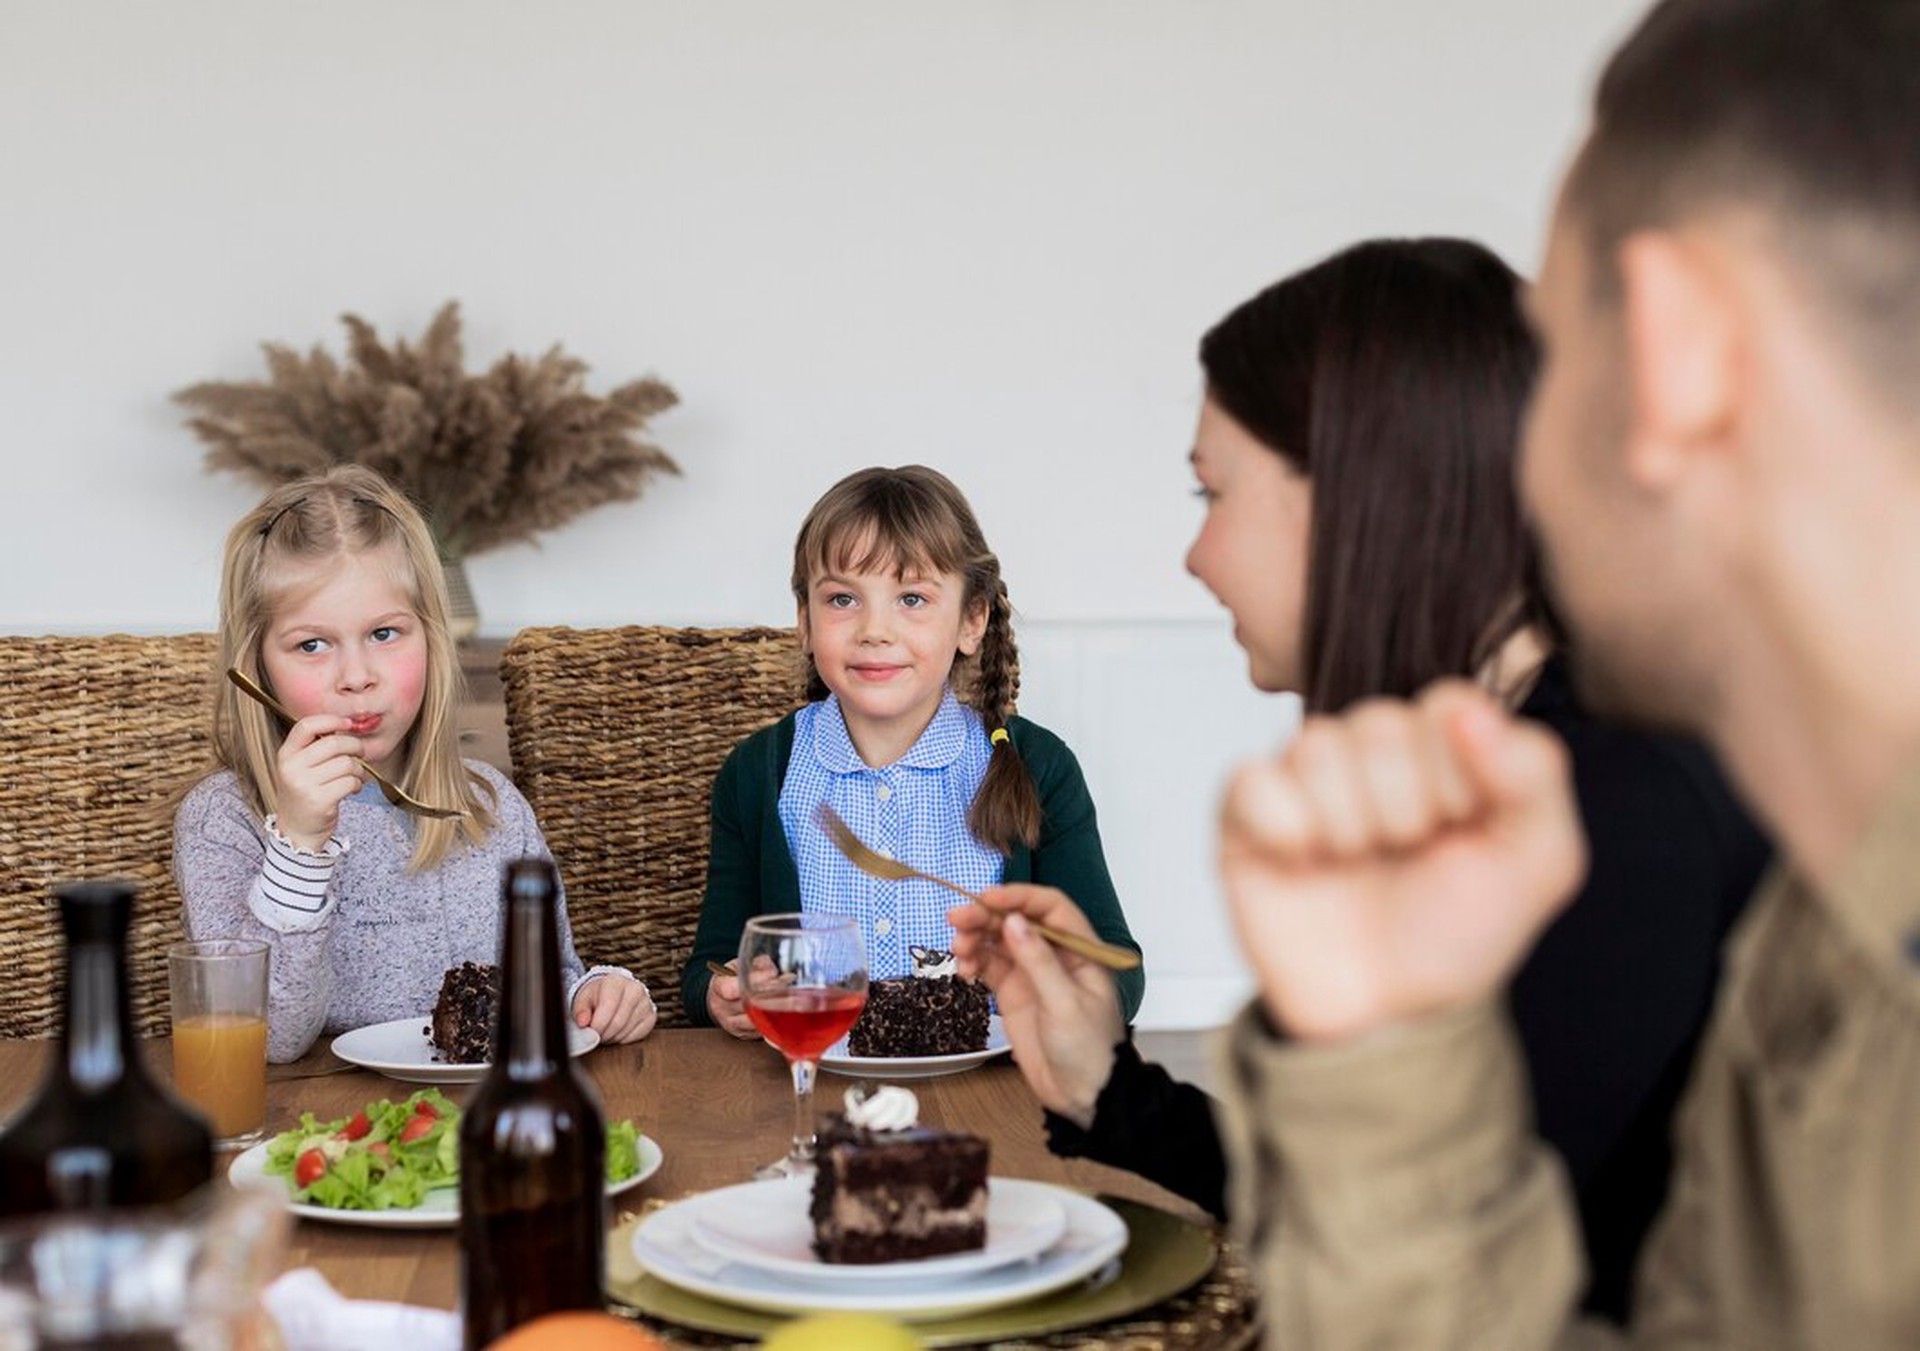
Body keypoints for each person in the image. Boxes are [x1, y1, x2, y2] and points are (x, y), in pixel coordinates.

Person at [1194, 0, 1920, 1346]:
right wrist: (1387, 1054)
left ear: (1679, 351)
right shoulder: (1815, 950)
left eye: (1561, 355)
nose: (1514, 467)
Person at [951, 237, 1769, 1321]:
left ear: (1357, 499)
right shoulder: (1520, 764)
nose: (1196, 557)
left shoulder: (1618, 816)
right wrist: (1106, 1083)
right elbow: (1377, 1194)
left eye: (1215, 494)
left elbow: (1440, 1276)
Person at [175, 465, 656, 1062]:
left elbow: (547, 980)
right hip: (321, 1132)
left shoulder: (490, 805)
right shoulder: (224, 819)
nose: (357, 677)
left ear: (431, 636)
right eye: (311, 645)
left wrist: (600, 992)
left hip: (486, 1120)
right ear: (258, 665)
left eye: (384, 633)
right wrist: (299, 848)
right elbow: (267, 1039)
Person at [682, 464, 1144, 1034]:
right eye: (843, 599)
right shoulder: (758, 774)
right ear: (803, 620)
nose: (876, 630)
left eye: (913, 599)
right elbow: (709, 966)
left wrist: (1066, 989)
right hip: (817, 1088)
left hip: (995, 1095)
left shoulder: (1039, 767)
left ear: (972, 621)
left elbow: (1119, 971)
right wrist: (725, 993)